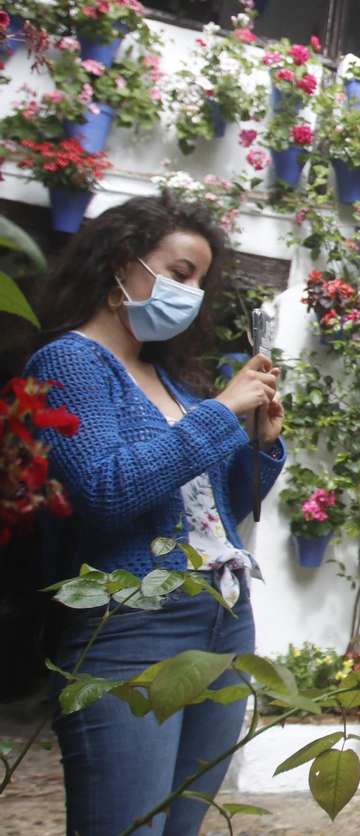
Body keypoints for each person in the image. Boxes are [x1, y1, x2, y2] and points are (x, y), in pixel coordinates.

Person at [25, 192, 286, 836]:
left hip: (223, 617)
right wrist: (220, 413)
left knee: (180, 828)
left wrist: (259, 444)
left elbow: (220, 511)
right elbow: (108, 491)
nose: (190, 294)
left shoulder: (169, 379)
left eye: (199, 283)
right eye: (179, 274)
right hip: (132, 623)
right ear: (121, 264)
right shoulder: (68, 362)